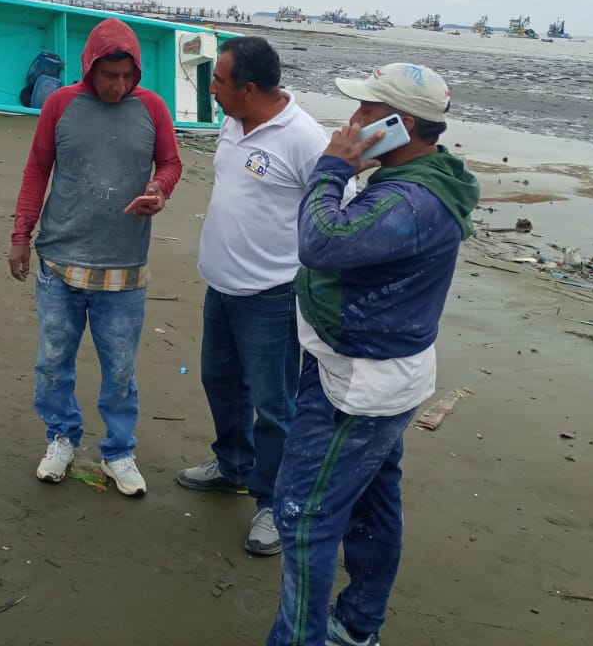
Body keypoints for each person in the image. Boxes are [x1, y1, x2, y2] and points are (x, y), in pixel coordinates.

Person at [266, 63, 479, 646]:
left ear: (400, 124)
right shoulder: (417, 178)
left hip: (357, 387)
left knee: (303, 517)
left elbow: (320, 242)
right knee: (374, 501)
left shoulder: (410, 201)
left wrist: (332, 167)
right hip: (382, 373)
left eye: (365, 111)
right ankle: (358, 625)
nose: (352, 121)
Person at [8, 17, 182, 497]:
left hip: (124, 267)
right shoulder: (60, 105)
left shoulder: (153, 107)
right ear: (89, 67)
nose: (118, 85)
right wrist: (21, 235)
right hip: (59, 261)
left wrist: (158, 189)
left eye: (127, 76)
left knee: (120, 369)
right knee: (52, 361)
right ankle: (61, 437)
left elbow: (170, 162)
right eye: (109, 75)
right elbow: (36, 170)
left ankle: (118, 450)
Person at [175, 37, 328, 556]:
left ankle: (275, 503)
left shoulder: (305, 139)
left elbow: (335, 212)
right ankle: (234, 465)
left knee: (275, 405)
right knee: (220, 381)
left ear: (249, 88)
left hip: (272, 296)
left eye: (218, 81)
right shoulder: (231, 121)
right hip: (220, 286)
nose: (211, 89)